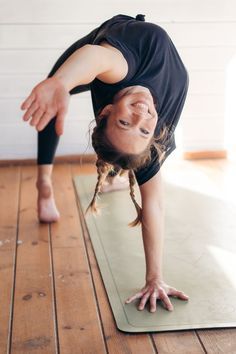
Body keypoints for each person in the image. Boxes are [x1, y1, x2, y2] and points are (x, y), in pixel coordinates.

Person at [20, 14, 189, 313]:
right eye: (143, 130)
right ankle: (45, 182)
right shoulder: (156, 130)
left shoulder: (119, 73)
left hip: (114, 39)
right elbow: (155, 204)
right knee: (56, 97)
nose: (140, 117)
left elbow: (96, 57)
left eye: (124, 122)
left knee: (56, 94)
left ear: (107, 112)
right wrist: (154, 278)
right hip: (120, 45)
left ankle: (109, 172)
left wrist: (154, 278)